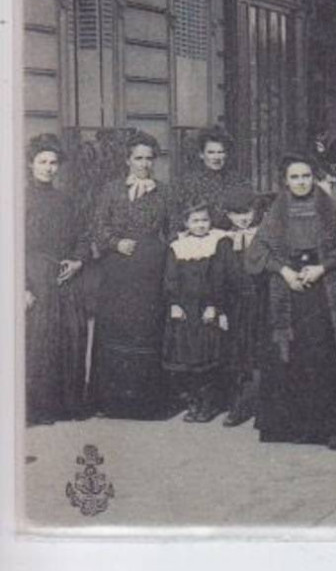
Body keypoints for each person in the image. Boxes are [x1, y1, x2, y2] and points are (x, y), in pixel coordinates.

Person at [251, 155, 336, 450]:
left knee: (325, 356)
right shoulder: (276, 212)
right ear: (285, 181)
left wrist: (322, 268)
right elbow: (256, 254)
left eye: (306, 176)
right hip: (290, 290)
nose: (301, 182)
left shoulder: (330, 209)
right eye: (295, 177)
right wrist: (284, 271)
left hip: (322, 290)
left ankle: (331, 429)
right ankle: (296, 428)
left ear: (314, 178)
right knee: (293, 356)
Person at [89, 131, 173, 419]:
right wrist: (116, 243)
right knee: (116, 329)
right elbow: (98, 227)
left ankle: (145, 404)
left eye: (150, 158)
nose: (144, 164)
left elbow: (174, 232)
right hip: (118, 269)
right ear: (127, 160)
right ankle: (111, 402)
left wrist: (161, 253)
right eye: (138, 158)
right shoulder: (111, 190)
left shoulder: (165, 191)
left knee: (145, 330)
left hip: (150, 269)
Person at [24, 135, 89, 425]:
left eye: (53, 163)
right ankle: (39, 408)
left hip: (65, 276)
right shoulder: (18, 199)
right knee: (40, 340)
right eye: (42, 162)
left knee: (71, 336)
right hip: (34, 275)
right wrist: (22, 286)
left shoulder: (66, 201)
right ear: (30, 163)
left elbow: (83, 238)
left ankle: (68, 404)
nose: (49, 168)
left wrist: (77, 261)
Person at [162, 200, 238, 424]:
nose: (201, 225)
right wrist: (174, 303)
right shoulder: (178, 246)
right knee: (187, 357)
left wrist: (214, 305)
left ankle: (209, 404)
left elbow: (220, 277)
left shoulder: (219, 242)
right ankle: (193, 402)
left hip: (207, 308)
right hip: (185, 310)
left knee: (208, 356)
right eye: (195, 221)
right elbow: (170, 277)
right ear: (186, 223)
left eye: (204, 220)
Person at [219, 187, 266, 428]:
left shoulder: (263, 237)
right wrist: (221, 310)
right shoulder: (225, 242)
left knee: (263, 353)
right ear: (228, 215)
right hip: (236, 305)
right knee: (238, 355)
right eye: (237, 214)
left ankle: (265, 406)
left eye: (247, 212)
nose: (243, 218)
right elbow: (220, 280)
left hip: (261, 301)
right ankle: (238, 405)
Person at [176, 129, 253, 228]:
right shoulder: (188, 183)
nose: (216, 157)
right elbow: (181, 217)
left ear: (226, 155)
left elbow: (248, 211)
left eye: (221, 152)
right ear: (201, 155)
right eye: (211, 152)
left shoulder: (239, 181)